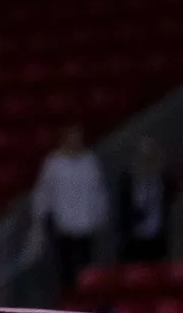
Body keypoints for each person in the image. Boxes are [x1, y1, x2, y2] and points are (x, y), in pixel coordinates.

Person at [30, 125, 109, 292]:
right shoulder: (53, 163)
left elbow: (98, 191)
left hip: (87, 226)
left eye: (77, 137)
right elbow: (44, 193)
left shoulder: (90, 161)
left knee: (87, 272)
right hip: (63, 226)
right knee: (65, 272)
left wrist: (100, 217)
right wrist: (41, 219)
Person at [116, 137, 174, 264]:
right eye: (144, 157)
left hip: (157, 240)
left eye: (150, 157)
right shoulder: (127, 182)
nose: (147, 162)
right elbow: (122, 212)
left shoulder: (164, 181)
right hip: (134, 241)